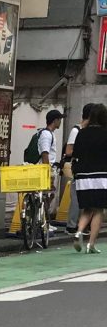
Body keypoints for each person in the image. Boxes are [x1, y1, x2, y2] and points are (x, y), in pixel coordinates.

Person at [72, 102, 107, 254]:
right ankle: (91, 244)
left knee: (87, 208)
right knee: (99, 210)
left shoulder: (82, 133)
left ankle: (79, 231)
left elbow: (75, 154)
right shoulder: (105, 133)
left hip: (82, 177)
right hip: (101, 176)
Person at [61, 107, 89, 234]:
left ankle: (80, 225)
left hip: (85, 167)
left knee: (83, 197)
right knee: (76, 198)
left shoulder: (87, 131)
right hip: (76, 168)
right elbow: (68, 151)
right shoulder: (76, 130)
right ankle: (71, 226)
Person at [35, 108, 63, 230]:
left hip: (48, 169)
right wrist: (48, 172)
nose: (60, 122)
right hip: (45, 169)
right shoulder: (46, 134)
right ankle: (43, 223)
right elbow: (45, 154)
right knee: (46, 196)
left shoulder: (49, 134)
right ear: (55, 120)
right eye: (59, 119)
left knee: (48, 196)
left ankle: (44, 222)